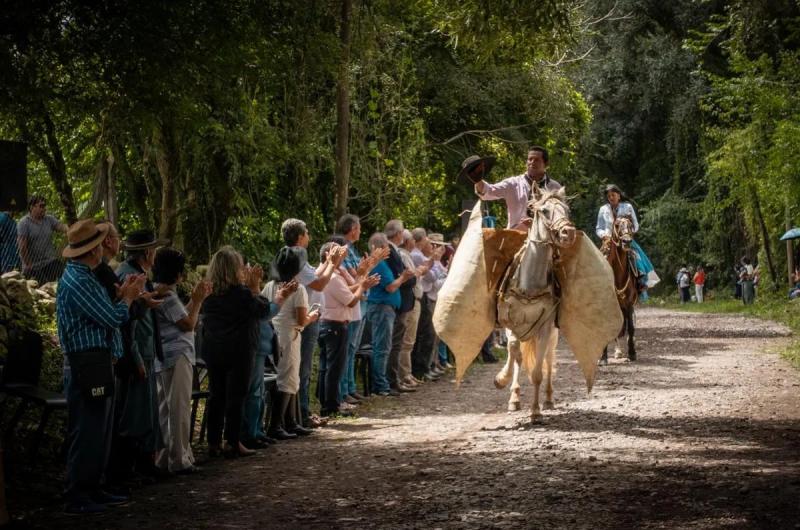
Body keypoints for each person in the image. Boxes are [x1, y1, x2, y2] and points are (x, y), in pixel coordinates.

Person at [56, 219, 143, 515]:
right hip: (86, 363)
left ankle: (94, 487)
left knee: (100, 430)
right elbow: (111, 317)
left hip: (96, 361)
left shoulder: (85, 276)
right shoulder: (79, 280)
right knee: (88, 430)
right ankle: (78, 493)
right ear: (93, 250)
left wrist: (121, 296)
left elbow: (103, 311)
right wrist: (127, 299)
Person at [112, 230, 169, 483]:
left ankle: (145, 463)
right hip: (135, 353)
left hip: (144, 350)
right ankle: (128, 469)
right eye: (153, 250)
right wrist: (134, 357)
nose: (155, 254)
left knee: (146, 410)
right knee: (134, 412)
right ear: (147, 252)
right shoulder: (129, 275)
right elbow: (127, 323)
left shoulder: (139, 274)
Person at [152, 248, 211, 473]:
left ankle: (166, 456)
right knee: (179, 408)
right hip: (177, 355)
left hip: (164, 356)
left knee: (166, 408)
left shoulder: (159, 292)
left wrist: (195, 301)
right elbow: (188, 324)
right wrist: (198, 301)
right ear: (176, 273)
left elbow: (180, 317)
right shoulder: (166, 295)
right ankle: (179, 459)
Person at [281, 218, 340, 428]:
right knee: (302, 368)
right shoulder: (294, 257)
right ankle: (300, 415)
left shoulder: (297, 257)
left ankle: (301, 413)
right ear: (299, 237)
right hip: (302, 318)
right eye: (306, 233)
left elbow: (314, 275)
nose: (309, 237)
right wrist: (332, 264)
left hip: (307, 316)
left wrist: (329, 262)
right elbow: (319, 284)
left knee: (303, 367)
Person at [263, 246, 320, 439]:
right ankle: (276, 425)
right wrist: (313, 316)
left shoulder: (270, 286)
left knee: (289, 377)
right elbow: (301, 320)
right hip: (290, 335)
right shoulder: (298, 289)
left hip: (274, 334)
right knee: (287, 379)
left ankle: (291, 421)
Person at [316, 241, 375, 416]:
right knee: (334, 368)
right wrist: (362, 287)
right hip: (334, 325)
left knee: (327, 366)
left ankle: (328, 402)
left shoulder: (327, 274)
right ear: (329, 255)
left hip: (328, 324)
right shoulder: (332, 277)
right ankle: (331, 405)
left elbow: (347, 289)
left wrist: (362, 279)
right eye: (340, 254)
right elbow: (350, 300)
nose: (344, 257)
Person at [366, 233, 414, 396]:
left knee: (384, 346)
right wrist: (403, 277)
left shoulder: (381, 264)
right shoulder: (379, 265)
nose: (389, 250)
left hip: (386, 308)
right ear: (379, 248)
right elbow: (391, 287)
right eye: (386, 246)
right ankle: (380, 384)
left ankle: (382, 382)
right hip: (382, 308)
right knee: (382, 347)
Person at [595, 184, 660, 298]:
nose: (611, 197)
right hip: (609, 241)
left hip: (626, 239)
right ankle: (597, 286)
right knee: (599, 261)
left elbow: (635, 225)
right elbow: (598, 228)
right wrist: (604, 235)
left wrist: (629, 234)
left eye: (613, 195)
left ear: (619, 196)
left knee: (636, 257)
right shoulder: (603, 209)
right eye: (609, 196)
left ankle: (640, 281)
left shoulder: (627, 207)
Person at [384, 220, 418, 394]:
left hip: (402, 301)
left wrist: (409, 276)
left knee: (398, 343)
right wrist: (408, 277)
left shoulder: (395, 250)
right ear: (398, 234)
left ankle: (394, 378)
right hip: (399, 302)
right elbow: (402, 276)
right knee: (396, 343)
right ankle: (392, 379)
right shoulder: (391, 251)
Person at [17, 195, 67, 284]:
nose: (44, 208)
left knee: (66, 278)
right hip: (33, 266)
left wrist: (72, 228)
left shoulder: (49, 219)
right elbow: (22, 247)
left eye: (44, 206)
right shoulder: (24, 223)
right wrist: (29, 265)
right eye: (41, 206)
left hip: (50, 262)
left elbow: (61, 227)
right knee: (43, 288)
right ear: (32, 207)